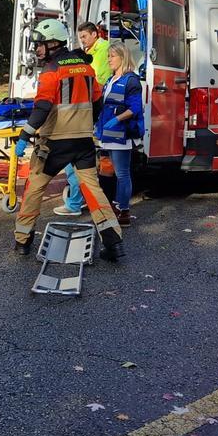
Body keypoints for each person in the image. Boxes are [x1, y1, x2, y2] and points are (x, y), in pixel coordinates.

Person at [13, 19, 124, 261]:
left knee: (34, 188)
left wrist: (24, 136)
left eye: (40, 45)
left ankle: (23, 241)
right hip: (83, 142)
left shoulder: (52, 70)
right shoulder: (86, 68)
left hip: (53, 143)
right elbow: (97, 102)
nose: (37, 49)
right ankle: (113, 242)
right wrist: (87, 124)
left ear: (53, 43)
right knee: (94, 191)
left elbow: (42, 107)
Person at [56, 22, 112, 217]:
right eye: (81, 38)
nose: (83, 41)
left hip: (90, 109)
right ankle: (82, 201)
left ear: (95, 34)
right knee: (83, 160)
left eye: (85, 37)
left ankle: (78, 202)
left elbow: (98, 78)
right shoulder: (90, 51)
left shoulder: (103, 49)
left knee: (78, 159)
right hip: (85, 111)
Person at [94, 42, 143, 226]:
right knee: (113, 172)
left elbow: (135, 108)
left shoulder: (131, 80)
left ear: (122, 57)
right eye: (108, 56)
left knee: (122, 174)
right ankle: (117, 205)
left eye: (112, 56)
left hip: (122, 135)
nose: (109, 60)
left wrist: (117, 119)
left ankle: (123, 211)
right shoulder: (111, 80)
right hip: (109, 134)